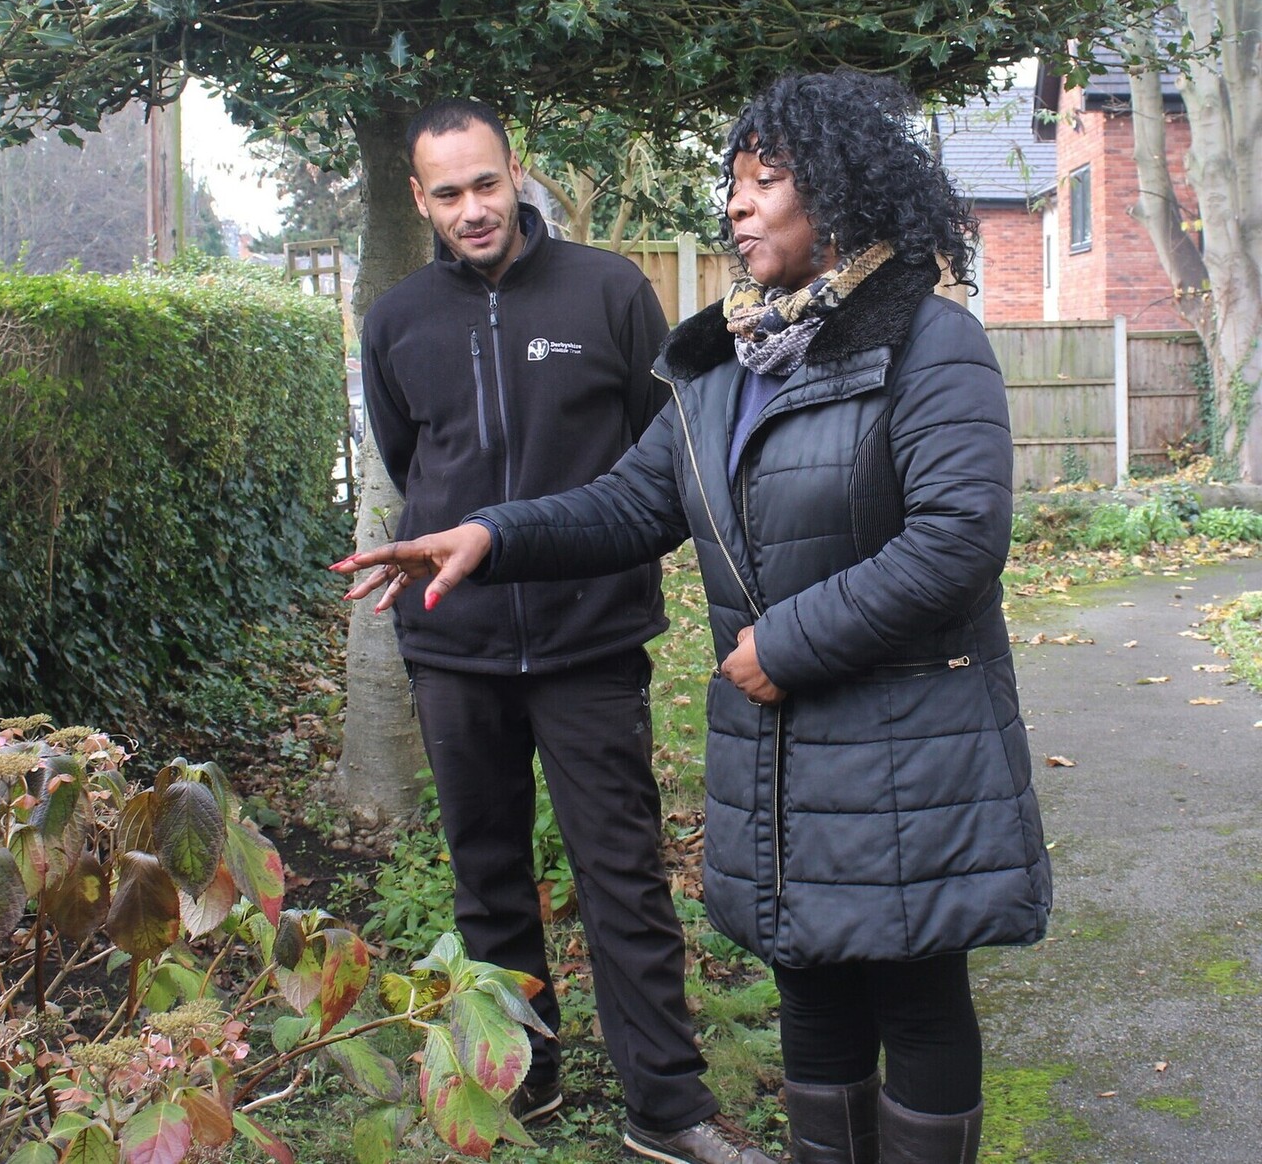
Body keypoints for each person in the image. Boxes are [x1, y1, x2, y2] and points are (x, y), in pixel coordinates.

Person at [339, 72, 1052, 1164]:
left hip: (905, 743)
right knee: (808, 980)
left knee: (911, 990)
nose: (736, 202)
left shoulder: (927, 343)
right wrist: (493, 533)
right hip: (781, 749)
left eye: (767, 182)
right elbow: (632, 500)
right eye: (733, 180)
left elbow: (956, 540)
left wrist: (785, 643)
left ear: (844, 196)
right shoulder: (726, 363)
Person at [353, 98, 764, 1164]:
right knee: (485, 873)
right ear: (419, 198)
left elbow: (655, 452)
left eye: (486, 183)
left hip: (590, 637)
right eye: (447, 193)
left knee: (620, 870)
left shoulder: (608, 290)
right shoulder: (396, 321)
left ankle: (665, 1105)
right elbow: (413, 466)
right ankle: (519, 1081)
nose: (472, 208)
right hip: (454, 643)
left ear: (514, 171)